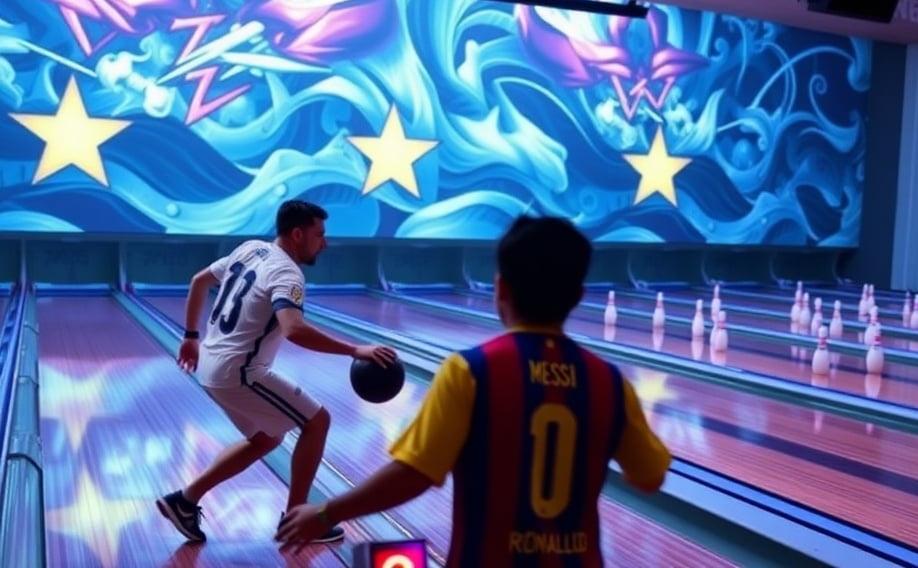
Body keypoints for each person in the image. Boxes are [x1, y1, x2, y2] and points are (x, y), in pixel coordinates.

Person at [275, 215, 672, 566]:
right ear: (579, 297)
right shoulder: (608, 382)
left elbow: (414, 475)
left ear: (500, 288)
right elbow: (650, 477)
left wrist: (327, 513)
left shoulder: (471, 373)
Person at [156, 199, 398, 544]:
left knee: (266, 438)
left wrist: (191, 337)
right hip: (239, 371)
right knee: (317, 421)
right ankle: (297, 520)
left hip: (211, 364)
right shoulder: (287, 273)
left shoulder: (251, 248)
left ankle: (185, 500)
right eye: (320, 235)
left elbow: (198, 281)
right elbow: (294, 329)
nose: (325, 243)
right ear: (297, 235)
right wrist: (355, 350)